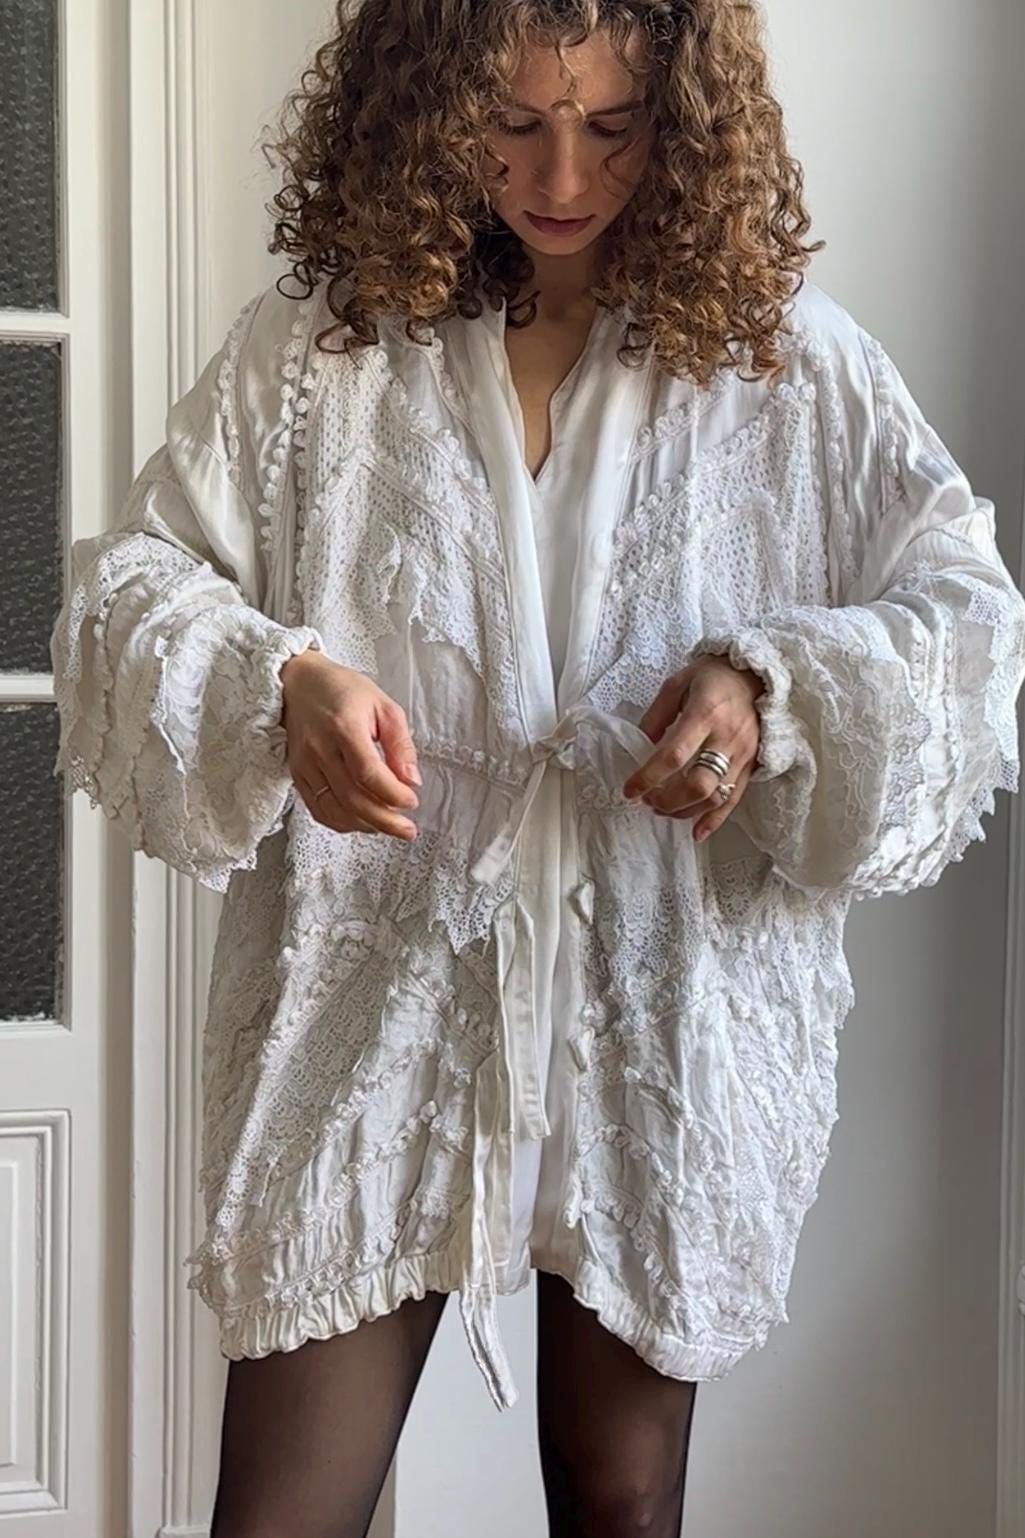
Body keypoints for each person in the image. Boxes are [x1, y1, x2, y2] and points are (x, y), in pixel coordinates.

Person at [50, 1, 1025, 1534]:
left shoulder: (777, 360)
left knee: (621, 1505)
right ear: (430, 105)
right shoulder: (325, 355)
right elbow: (129, 591)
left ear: (685, 120)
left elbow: (965, 614)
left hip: (652, 1032)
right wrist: (281, 680)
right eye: (511, 121)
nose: (560, 171)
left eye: (613, 125)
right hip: (375, 1022)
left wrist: (765, 688)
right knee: (276, 1516)